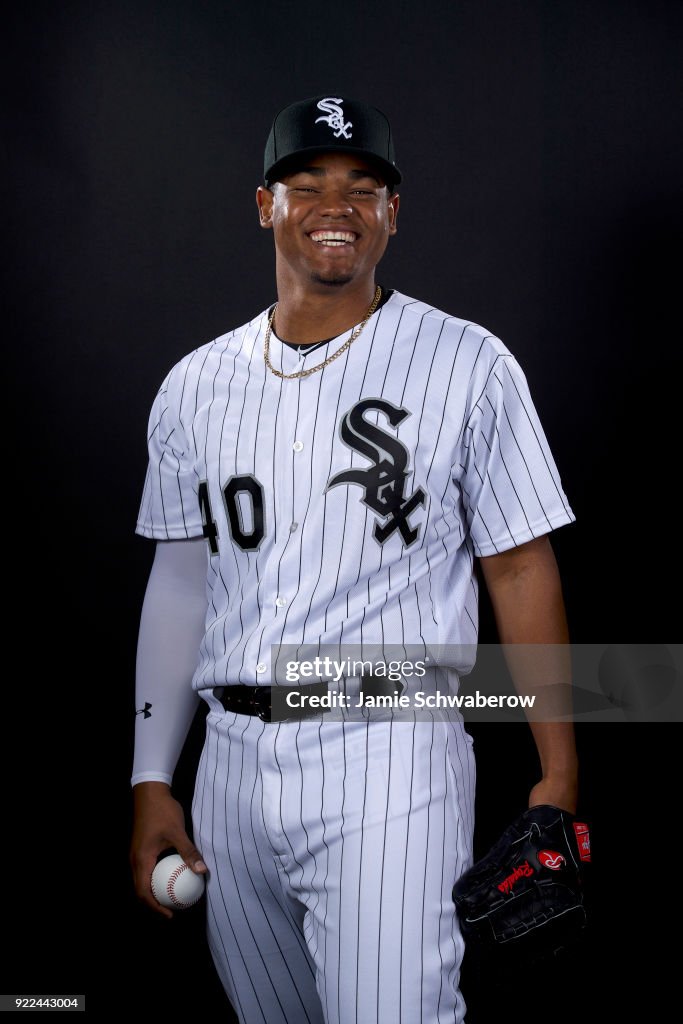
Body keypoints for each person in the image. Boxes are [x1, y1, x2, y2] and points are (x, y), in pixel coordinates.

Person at [130, 94, 579, 1024]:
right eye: (309, 183)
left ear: (391, 213)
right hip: (232, 768)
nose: (337, 203)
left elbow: (520, 567)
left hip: (389, 751)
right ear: (265, 204)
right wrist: (150, 775)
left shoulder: (468, 364)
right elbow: (182, 583)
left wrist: (558, 770)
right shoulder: (193, 385)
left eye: (362, 186)